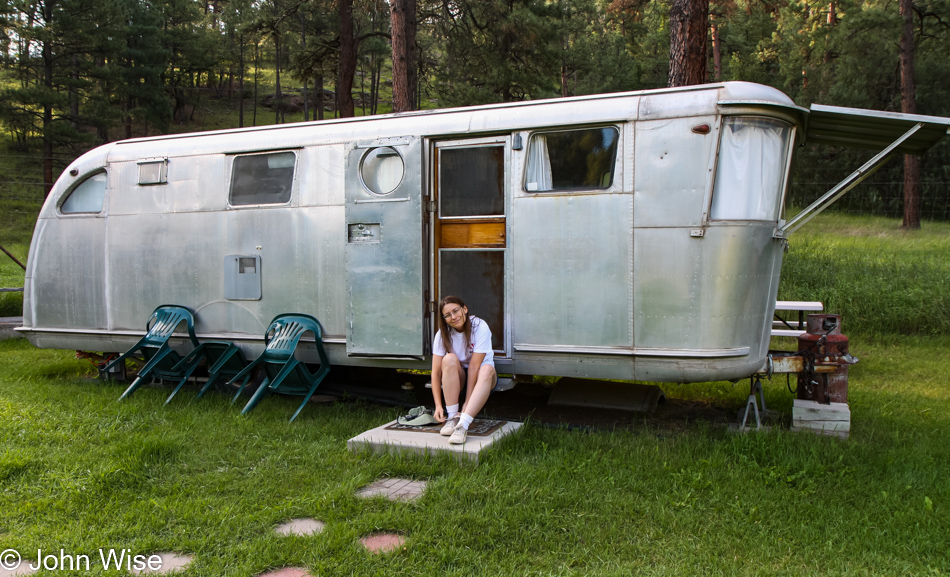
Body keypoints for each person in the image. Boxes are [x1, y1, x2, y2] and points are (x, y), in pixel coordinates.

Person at [431, 295, 497, 445]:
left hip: (482, 376)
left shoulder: (480, 326)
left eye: (455, 311)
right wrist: (438, 405)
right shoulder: (442, 334)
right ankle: (453, 417)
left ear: (464, 309)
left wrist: (466, 403)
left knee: (486, 369)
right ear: (443, 318)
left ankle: (463, 425)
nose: (453, 317)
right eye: (447, 315)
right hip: (460, 376)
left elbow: (474, 367)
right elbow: (435, 372)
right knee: (448, 359)